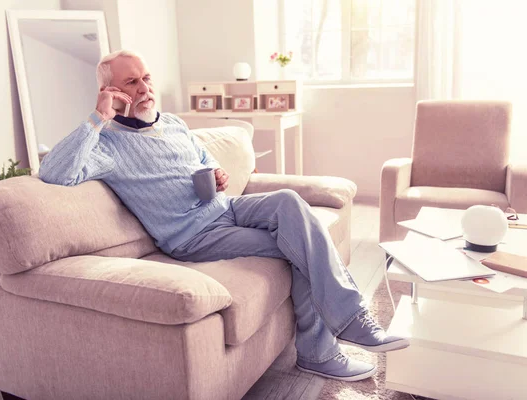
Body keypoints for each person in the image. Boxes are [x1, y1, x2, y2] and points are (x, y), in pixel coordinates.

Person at [39, 50, 409, 382]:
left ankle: (346, 324)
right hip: (193, 235)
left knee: (289, 203)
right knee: (299, 247)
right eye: (130, 82)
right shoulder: (107, 144)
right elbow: (55, 172)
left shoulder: (173, 124)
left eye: (146, 77)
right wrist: (98, 117)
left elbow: (202, 159)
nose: (143, 88)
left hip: (225, 207)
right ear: (110, 91)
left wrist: (217, 173)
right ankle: (325, 348)